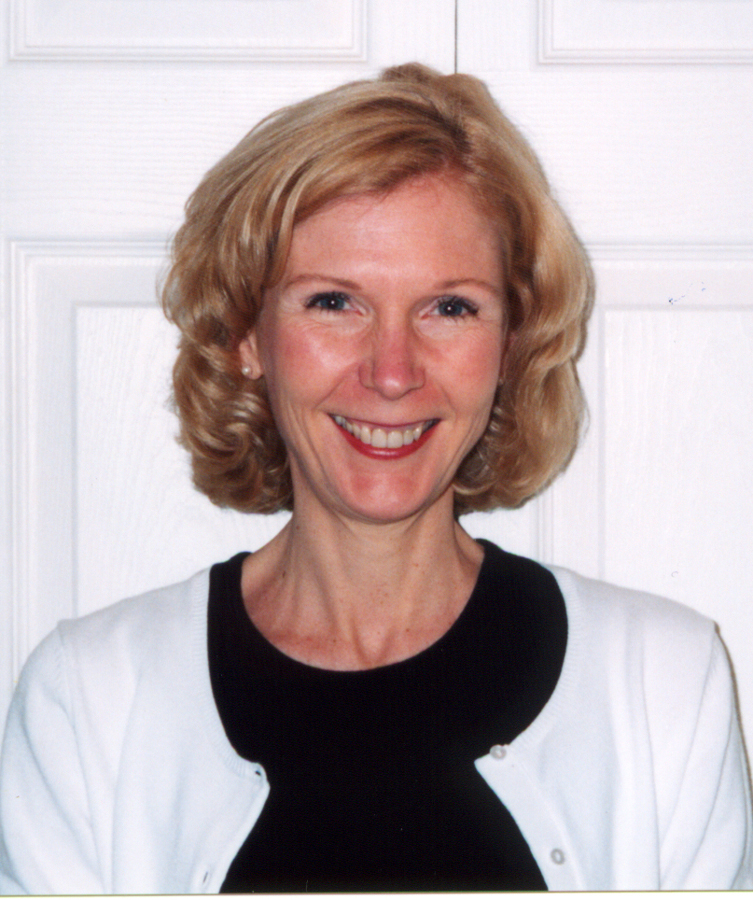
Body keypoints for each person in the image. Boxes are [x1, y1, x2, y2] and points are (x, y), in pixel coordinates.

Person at [0, 63, 751, 894]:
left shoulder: (662, 683)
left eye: (450, 307)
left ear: (510, 344)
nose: (391, 373)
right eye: (334, 302)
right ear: (247, 335)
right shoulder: (89, 699)